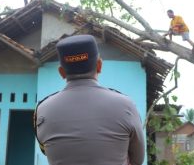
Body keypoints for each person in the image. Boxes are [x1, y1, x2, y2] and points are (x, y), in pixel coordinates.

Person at [34, 35, 145, 165]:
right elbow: (137, 160)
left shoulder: (42, 110)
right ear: (99, 65)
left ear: (62, 72)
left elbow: (46, 150)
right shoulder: (126, 105)